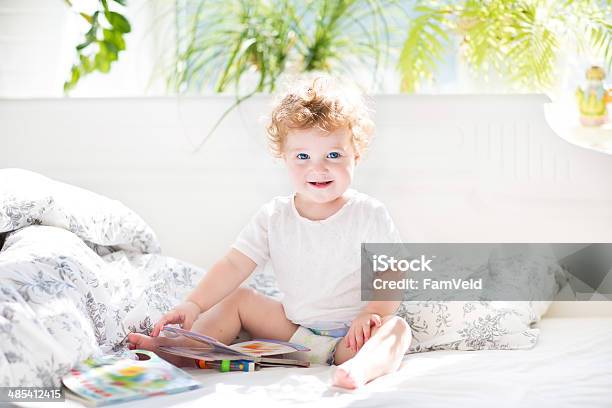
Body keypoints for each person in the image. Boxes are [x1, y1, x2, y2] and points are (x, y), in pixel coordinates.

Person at [128, 76, 412, 389]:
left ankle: (361, 369)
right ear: (284, 157)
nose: (318, 168)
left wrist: (372, 313)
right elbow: (235, 264)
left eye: (333, 155)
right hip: (295, 334)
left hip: (352, 338)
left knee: (397, 328)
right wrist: (194, 305)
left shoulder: (368, 214)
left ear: (356, 154)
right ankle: (180, 352)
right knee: (239, 299)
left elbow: (391, 273)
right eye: (303, 157)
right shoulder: (274, 216)